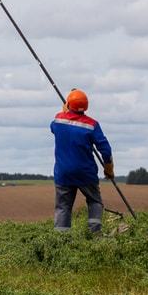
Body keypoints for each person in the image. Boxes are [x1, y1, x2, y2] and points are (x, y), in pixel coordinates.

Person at [50, 89, 113, 233]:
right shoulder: (92, 125)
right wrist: (109, 168)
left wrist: (64, 112)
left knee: (63, 206)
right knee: (95, 201)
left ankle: (61, 239)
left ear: (68, 104)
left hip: (63, 173)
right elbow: (105, 149)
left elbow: (53, 128)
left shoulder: (58, 120)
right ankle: (94, 233)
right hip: (86, 173)